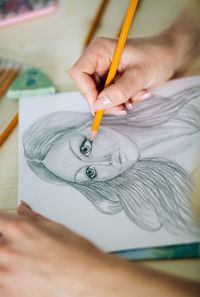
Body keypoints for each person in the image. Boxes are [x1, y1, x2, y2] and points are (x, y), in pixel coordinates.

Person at [0, 2, 200, 296]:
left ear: (84, 124)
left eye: (84, 148)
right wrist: (177, 42)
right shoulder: (170, 190)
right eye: (90, 173)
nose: (104, 163)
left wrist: (89, 277)